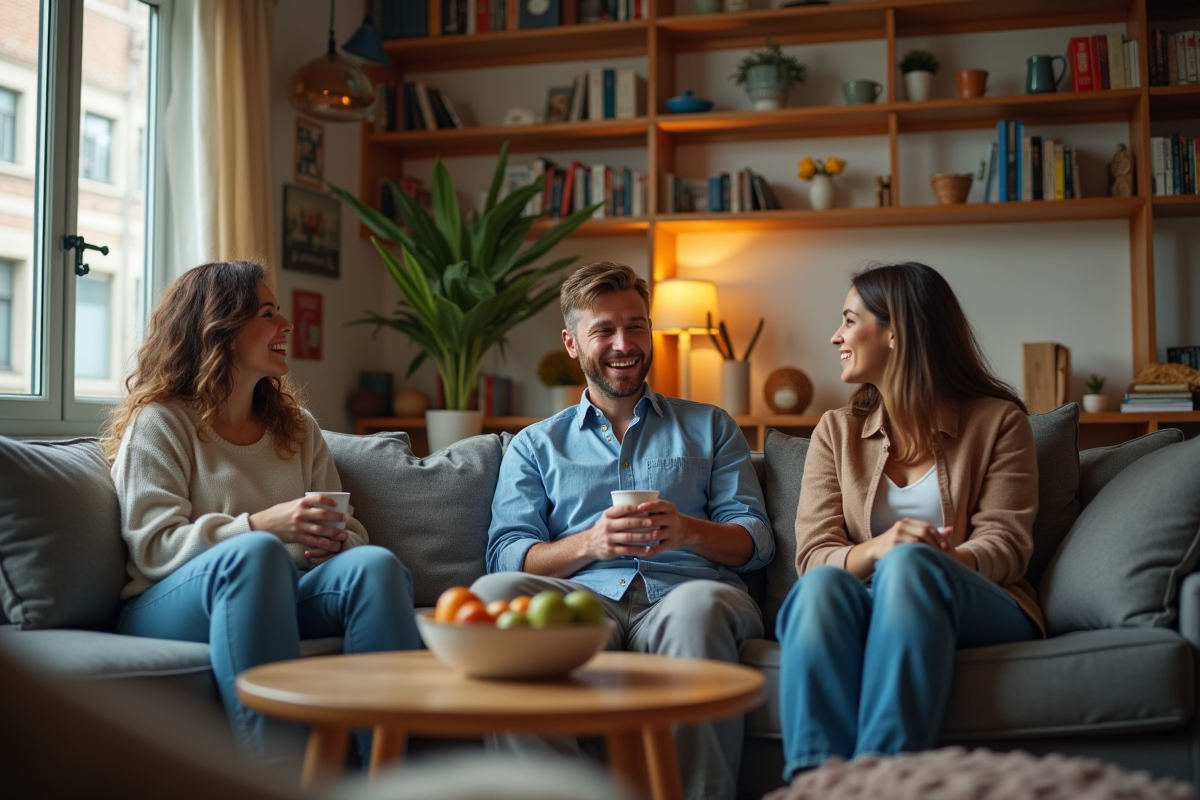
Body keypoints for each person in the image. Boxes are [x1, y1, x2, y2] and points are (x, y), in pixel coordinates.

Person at [470, 261, 774, 800]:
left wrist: (686, 532)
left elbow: (755, 540)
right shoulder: (535, 444)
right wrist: (592, 543)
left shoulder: (711, 425)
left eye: (635, 325)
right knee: (494, 596)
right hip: (579, 600)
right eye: (603, 330)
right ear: (572, 343)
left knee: (700, 610)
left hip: (688, 593)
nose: (623, 343)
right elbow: (507, 553)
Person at [101, 260, 419, 766]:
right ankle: (281, 780)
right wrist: (259, 525)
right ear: (220, 328)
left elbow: (351, 528)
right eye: (268, 313)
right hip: (168, 604)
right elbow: (153, 545)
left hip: (280, 588)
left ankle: (387, 776)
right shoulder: (161, 422)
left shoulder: (296, 427)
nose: (285, 325)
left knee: (374, 566)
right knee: (256, 553)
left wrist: (335, 543)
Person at [775, 261, 1043, 782]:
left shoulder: (999, 423)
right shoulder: (835, 432)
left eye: (849, 321)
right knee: (820, 589)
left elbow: (1007, 546)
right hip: (866, 594)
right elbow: (812, 557)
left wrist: (941, 559)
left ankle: (884, 784)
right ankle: (817, 786)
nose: (835, 336)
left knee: (911, 569)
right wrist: (879, 548)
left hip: (972, 599)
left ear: (895, 331)